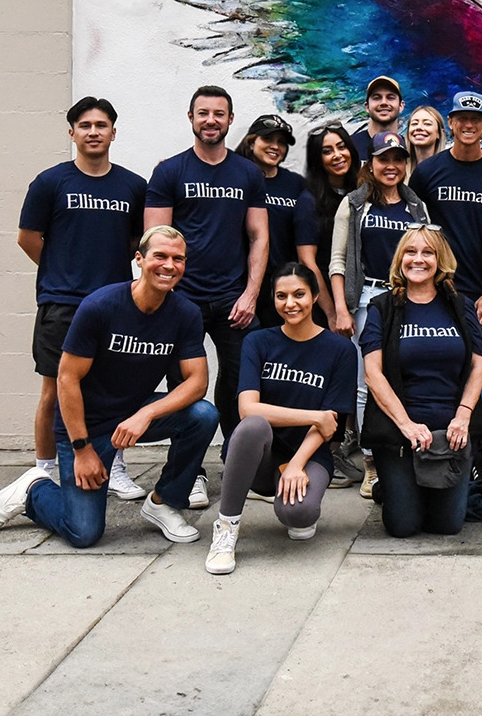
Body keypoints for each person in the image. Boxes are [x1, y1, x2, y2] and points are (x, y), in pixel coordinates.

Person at [0, 227, 218, 547]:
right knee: (83, 532)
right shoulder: (101, 305)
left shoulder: (185, 313)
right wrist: (82, 449)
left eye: (178, 259)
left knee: (203, 415)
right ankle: (33, 491)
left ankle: (164, 503)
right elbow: (67, 379)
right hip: (87, 424)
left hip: (132, 415)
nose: (169, 265)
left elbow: (197, 382)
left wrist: (146, 414)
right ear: (139, 259)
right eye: (160, 256)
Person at [144, 85, 269, 508]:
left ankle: (238, 465)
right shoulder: (170, 172)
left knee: (240, 385)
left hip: (234, 300)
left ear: (230, 119)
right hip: (183, 302)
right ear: (191, 118)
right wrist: (167, 297)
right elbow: (155, 240)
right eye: (203, 113)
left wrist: (251, 294)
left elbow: (259, 236)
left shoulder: (247, 173)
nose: (210, 120)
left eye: (219, 113)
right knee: (183, 388)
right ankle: (191, 472)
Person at [18, 96, 147, 498]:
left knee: (113, 391)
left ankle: (115, 466)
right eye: (85, 125)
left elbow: (135, 242)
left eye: (101, 125)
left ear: (113, 132)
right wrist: (62, 268)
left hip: (114, 306)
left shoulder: (133, 186)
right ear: (72, 133)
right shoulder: (50, 182)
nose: (94, 132)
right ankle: (44, 471)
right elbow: (28, 238)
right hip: (62, 304)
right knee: (53, 391)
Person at [204, 263, 358, 574]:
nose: (290, 303)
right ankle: (226, 529)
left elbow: (329, 425)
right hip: (259, 454)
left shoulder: (340, 350)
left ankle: (291, 496)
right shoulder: (258, 341)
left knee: (298, 514)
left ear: (315, 296)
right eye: (281, 296)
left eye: (299, 294)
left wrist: (297, 464)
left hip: (308, 453)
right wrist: (313, 415)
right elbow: (248, 409)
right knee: (253, 425)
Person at [361, 226, 482, 538]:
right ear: (400, 259)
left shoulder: (461, 306)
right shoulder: (382, 307)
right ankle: (392, 488)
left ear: (440, 260)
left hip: (451, 434)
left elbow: (479, 365)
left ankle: (420, 491)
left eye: (428, 252)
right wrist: (407, 425)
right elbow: (373, 374)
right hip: (400, 436)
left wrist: (463, 416)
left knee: (447, 526)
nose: (418, 259)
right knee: (403, 526)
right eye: (411, 252)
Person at [329, 132, 430, 496]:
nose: (391, 166)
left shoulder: (416, 206)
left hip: (408, 297)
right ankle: (371, 462)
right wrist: (341, 308)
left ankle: (409, 449)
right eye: (384, 159)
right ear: (370, 164)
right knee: (364, 383)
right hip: (368, 297)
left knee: (408, 375)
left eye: (398, 159)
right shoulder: (355, 204)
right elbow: (337, 261)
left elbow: (428, 254)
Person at [408, 90, 482, 326]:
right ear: (450, 122)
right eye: (462, 118)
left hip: (481, 297)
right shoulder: (426, 173)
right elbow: (412, 233)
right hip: (434, 290)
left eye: (475, 119)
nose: (468, 125)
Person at [296, 121, 363, 485]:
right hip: (327, 303)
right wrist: (331, 310)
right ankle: (325, 454)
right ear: (317, 159)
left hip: (360, 299)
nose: (337, 155)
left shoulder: (362, 193)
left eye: (341, 147)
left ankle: (345, 444)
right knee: (329, 380)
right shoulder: (310, 200)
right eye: (327, 150)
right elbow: (309, 262)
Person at [233, 114, 310, 328]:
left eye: (281, 142)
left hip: (283, 286)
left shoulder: (296, 184)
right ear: (251, 142)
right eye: (268, 139)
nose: (275, 146)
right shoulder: (234, 177)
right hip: (240, 284)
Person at [351, 74, 403, 159]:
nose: (384, 102)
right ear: (367, 107)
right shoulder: (350, 146)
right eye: (376, 98)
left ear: (401, 106)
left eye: (390, 97)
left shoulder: (409, 148)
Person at [405, 104, 447, 168]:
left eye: (427, 124)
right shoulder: (400, 169)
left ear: (439, 133)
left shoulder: (449, 169)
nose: (419, 127)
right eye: (414, 123)